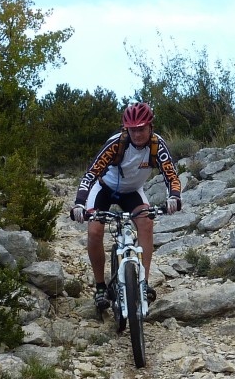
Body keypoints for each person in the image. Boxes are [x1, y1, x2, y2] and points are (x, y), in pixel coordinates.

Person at [70, 102, 182, 310]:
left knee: (146, 223)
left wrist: (174, 197)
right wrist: (79, 204)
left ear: (150, 127)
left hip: (132, 192)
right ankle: (101, 287)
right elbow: (90, 175)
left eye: (141, 129)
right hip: (104, 188)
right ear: (126, 129)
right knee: (95, 231)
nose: (137, 134)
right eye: (133, 130)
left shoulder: (157, 145)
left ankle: (143, 283)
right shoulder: (116, 144)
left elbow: (171, 175)